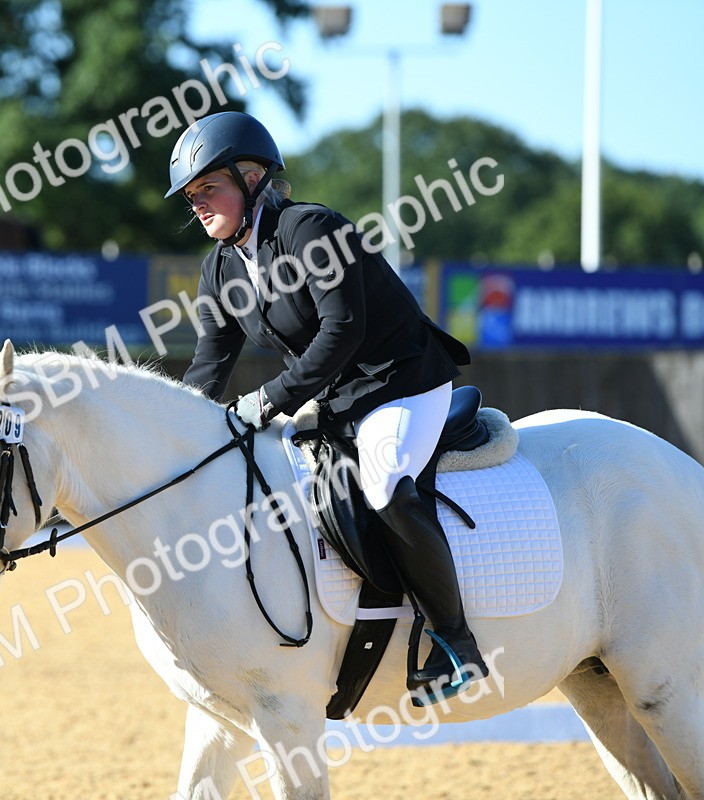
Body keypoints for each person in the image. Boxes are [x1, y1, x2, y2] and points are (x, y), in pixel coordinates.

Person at [167, 111, 484, 701]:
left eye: (209, 188)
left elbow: (342, 332)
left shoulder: (310, 230)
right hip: (338, 398)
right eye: (191, 197)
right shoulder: (220, 267)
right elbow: (212, 360)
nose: (199, 205)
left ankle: (456, 642)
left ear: (253, 175)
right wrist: (176, 431)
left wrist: (270, 398)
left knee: (386, 481)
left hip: (402, 382)